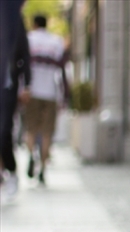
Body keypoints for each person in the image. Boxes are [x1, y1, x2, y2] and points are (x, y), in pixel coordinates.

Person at [23, 14, 67, 186]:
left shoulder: (29, 39)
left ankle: (31, 155)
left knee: (31, 130)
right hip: (51, 92)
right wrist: (65, 95)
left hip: (32, 91)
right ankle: (42, 168)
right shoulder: (56, 42)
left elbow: (21, 64)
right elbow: (62, 71)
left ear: (34, 24)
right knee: (47, 132)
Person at [0, 3, 29, 202]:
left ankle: (10, 170)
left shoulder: (13, 18)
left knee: (3, 131)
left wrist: (27, 83)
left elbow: (24, 53)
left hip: (7, 86)